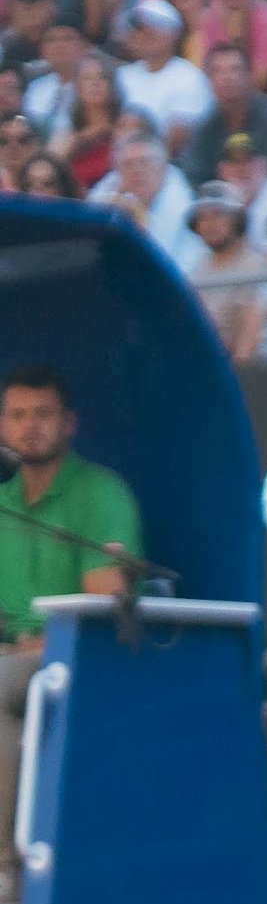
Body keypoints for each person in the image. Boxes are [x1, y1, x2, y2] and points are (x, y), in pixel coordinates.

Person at [1, 361, 138, 851]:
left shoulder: (100, 493)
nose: (30, 427)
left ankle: (2, 865)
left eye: (43, 414)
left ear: (69, 423)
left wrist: (31, 646)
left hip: (76, 657)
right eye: (17, 415)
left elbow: (100, 605)